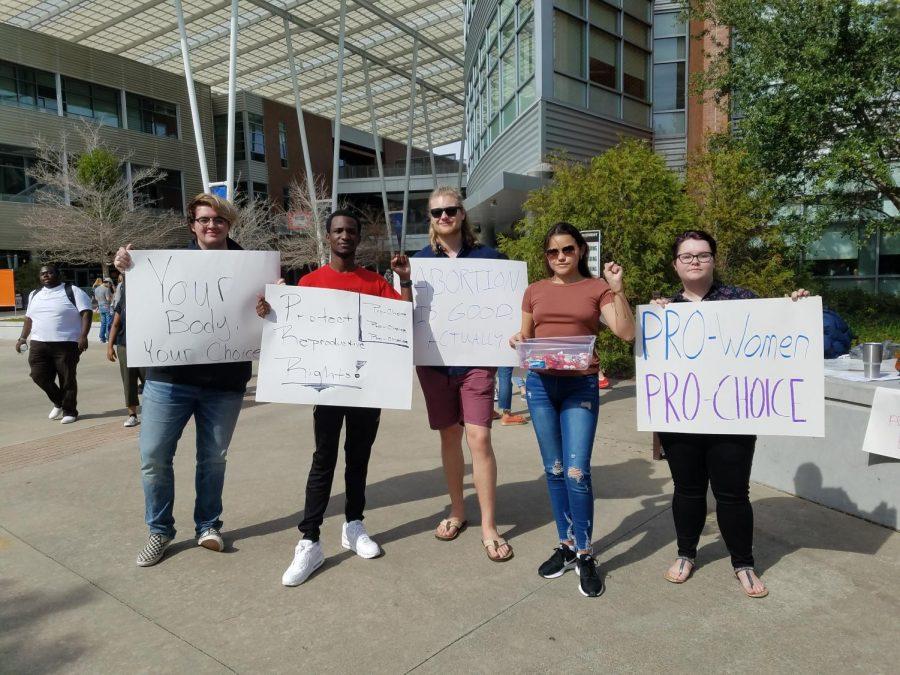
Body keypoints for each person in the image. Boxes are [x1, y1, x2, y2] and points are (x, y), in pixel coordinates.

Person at [256, 209, 413, 587]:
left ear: (359, 238)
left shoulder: (375, 283)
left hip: (367, 387)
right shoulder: (309, 282)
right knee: (323, 460)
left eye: (351, 231)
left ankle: (353, 525)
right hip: (326, 389)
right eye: (338, 231)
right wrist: (269, 310)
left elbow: (402, 318)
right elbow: (288, 328)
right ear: (327, 237)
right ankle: (310, 539)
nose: (345, 236)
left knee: (358, 458)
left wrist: (405, 282)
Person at [650, 229, 809, 599]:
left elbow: (777, 338)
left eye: (702, 255)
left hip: (733, 417)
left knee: (733, 493)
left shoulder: (742, 300)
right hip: (682, 418)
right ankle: (686, 554)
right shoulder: (663, 310)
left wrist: (795, 308)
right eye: (687, 256)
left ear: (714, 259)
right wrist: (651, 321)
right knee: (687, 490)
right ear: (675, 264)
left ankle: (744, 562)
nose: (694, 261)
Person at [114, 193, 250, 567]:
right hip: (168, 379)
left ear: (228, 225)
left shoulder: (251, 266)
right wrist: (127, 270)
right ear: (192, 224)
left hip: (225, 383)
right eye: (204, 219)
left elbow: (265, 320)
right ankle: (159, 531)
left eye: (219, 220)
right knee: (154, 455)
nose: (211, 226)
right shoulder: (165, 264)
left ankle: (208, 525)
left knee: (213, 459)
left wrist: (269, 305)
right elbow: (138, 311)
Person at [510, 223, 635, 598]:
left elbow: (626, 333)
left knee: (577, 472)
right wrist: (518, 340)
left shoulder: (597, 288)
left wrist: (618, 290)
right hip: (541, 386)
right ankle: (565, 546)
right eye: (552, 252)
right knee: (555, 470)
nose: (560, 257)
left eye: (567, 250)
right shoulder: (534, 291)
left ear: (580, 250)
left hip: (580, 385)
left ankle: (585, 552)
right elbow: (526, 338)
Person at [413, 186, 513, 562]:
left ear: (462, 213)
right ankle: (458, 510)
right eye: (437, 213)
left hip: (477, 362)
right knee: (449, 436)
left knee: (480, 437)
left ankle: (489, 525)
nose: (444, 217)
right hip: (435, 362)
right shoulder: (418, 263)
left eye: (450, 210)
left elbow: (509, 307)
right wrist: (403, 284)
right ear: (430, 220)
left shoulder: (492, 259)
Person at [16, 264, 93, 424]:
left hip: (66, 343)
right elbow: (29, 319)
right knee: (38, 375)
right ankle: (59, 401)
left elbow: (86, 312)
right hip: (39, 343)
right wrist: (22, 338)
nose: (46, 275)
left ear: (58, 274)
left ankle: (70, 411)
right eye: (43, 273)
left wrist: (83, 336)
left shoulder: (72, 291)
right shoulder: (34, 294)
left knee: (67, 378)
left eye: (50, 272)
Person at [106, 275, 144, 428]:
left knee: (152, 383)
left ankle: (153, 413)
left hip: (147, 347)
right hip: (125, 346)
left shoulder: (153, 299)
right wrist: (110, 346)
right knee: (129, 382)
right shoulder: (123, 301)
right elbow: (115, 324)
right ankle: (132, 415)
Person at [94, 277, 114, 343]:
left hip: (100, 306)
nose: (110, 286)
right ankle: (108, 337)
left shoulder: (96, 289)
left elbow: (96, 299)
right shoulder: (106, 289)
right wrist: (112, 298)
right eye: (110, 284)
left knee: (103, 323)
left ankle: (102, 338)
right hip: (107, 307)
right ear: (108, 283)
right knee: (108, 323)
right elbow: (108, 299)